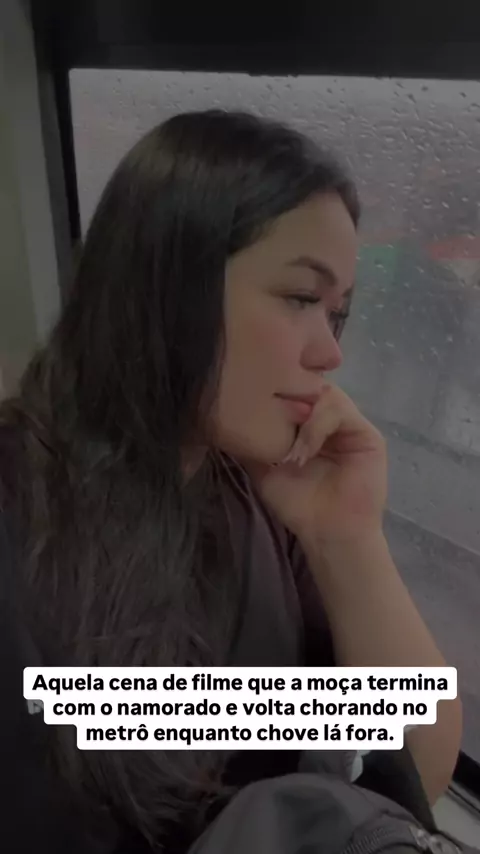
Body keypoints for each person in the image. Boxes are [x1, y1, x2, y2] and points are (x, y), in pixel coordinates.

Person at [0, 110, 462, 854]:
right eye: (300, 298)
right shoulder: (19, 506)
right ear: (165, 285)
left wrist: (348, 538)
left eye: (338, 314)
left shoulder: (263, 501)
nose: (330, 354)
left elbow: (414, 772)